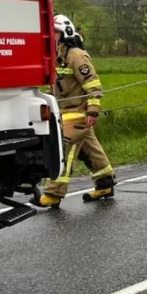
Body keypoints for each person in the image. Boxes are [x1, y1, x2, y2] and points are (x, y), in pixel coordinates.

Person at [38, 15, 116, 207]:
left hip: (79, 113)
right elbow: (55, 87)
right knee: (90, 148)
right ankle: (105, 182)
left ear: (65, 34)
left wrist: (93, 110)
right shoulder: (56, 57)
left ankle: (54, 193)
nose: (51, 36)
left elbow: (93, 85)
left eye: (55, 33)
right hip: (64, 113)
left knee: (64, 149)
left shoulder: (76, 56)